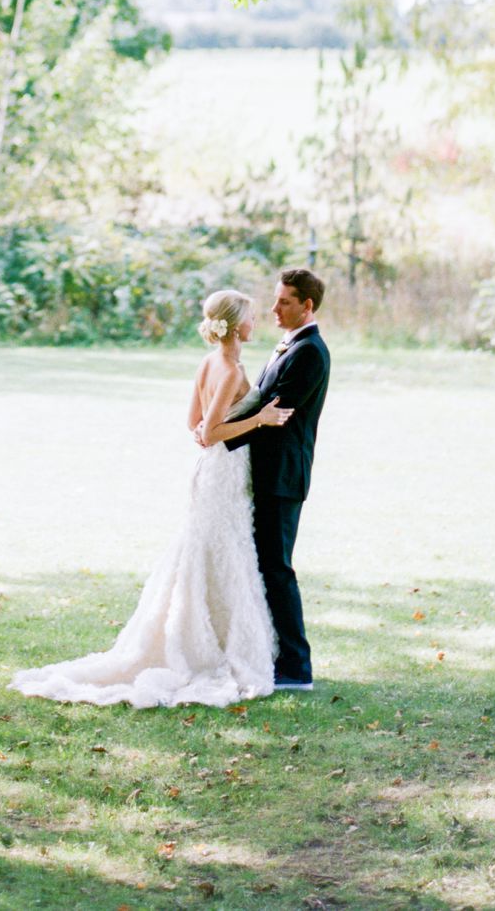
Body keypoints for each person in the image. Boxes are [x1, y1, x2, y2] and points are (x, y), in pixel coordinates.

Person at [9, 289, 291, 708]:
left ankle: (199, 631)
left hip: (212, 470)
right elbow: (210, 431)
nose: (256, 323)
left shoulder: (209, 362)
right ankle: (206, 646)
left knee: (209, 548)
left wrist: (214, 430)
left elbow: (193, 423)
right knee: (222, 548)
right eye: (250, 318)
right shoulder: (229, 369)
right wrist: (260, 418)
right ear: (234, 325)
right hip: (225, 470)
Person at [198, 267, 330, 690]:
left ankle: (295, 667)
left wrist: (215, 436)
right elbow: (258, 413)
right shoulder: (287, 346)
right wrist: (213, 435)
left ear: (306, 306)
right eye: (274, 300)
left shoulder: (309, 352)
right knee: (261, 567)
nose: (274, 308)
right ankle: (265, 653)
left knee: (277, 569)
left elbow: (276, 417)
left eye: (284, 302)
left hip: (282, 477)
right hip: (254, 474)